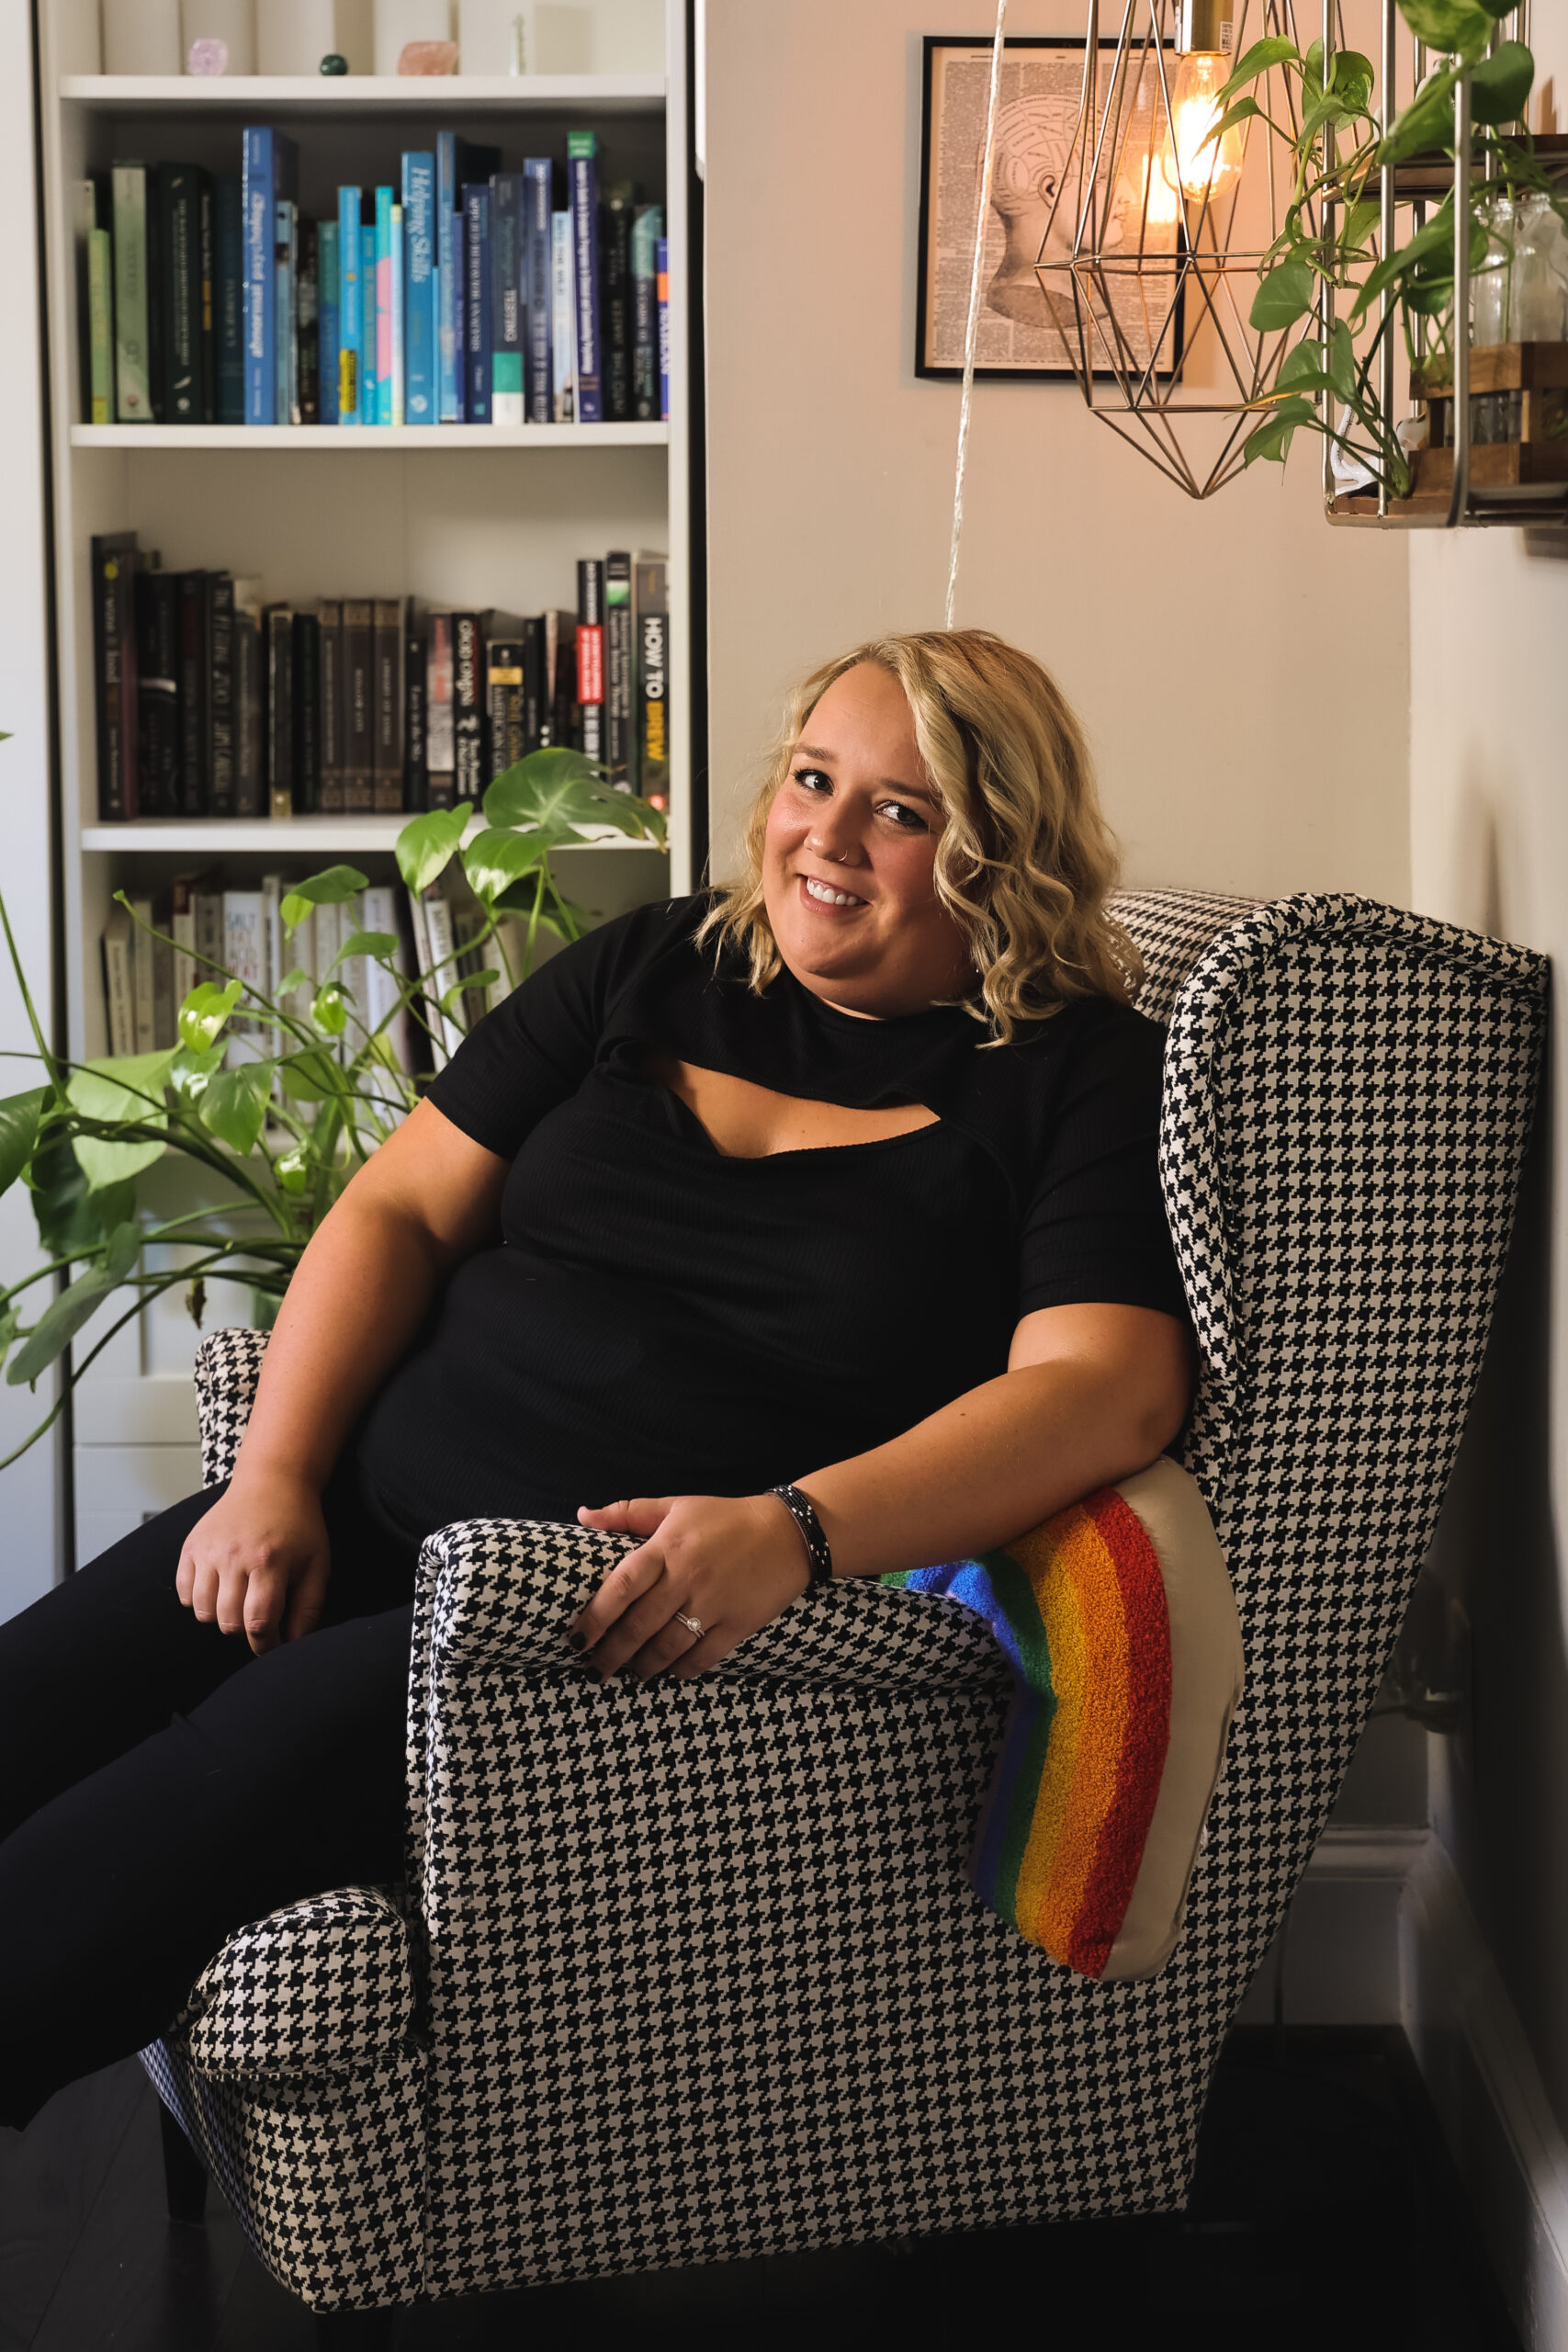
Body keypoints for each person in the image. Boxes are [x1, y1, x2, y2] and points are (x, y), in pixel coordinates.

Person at [0, 628, 1191, 2131]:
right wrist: (276, 1477)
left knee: (101, 1872)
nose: (825, 836)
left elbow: (1108, 1391)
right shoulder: (661, 961)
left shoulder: (1073, 1071)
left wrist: (798, 1529)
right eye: (814, 779)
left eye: (901, 808)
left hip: (576, 1626)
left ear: (998, 851)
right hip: (359, 1508)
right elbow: (399, 1207)